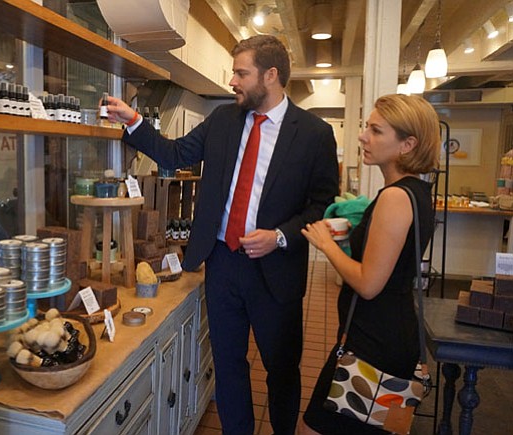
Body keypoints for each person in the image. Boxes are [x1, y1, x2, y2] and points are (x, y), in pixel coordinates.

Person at [105, 35, 339, 434]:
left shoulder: (314, 133)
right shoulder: (224, 121)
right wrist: (133, 121)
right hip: (223, 261)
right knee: (229, 365)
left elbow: (322, 206)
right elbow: (176, 153)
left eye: (241, 73)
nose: (232, 81)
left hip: (276, 269)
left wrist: (280, 236)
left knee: (282, 369)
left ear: (271, 75)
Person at [299, 94, 440, 434]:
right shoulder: (415, 192)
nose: (363, 136)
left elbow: (369, 283)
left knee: (314, 427)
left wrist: (325, 245)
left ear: (408, 144)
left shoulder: (394, 197)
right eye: (366, 127)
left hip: (374, 342)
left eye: (376, 131)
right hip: (389, 334)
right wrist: (351, 238)